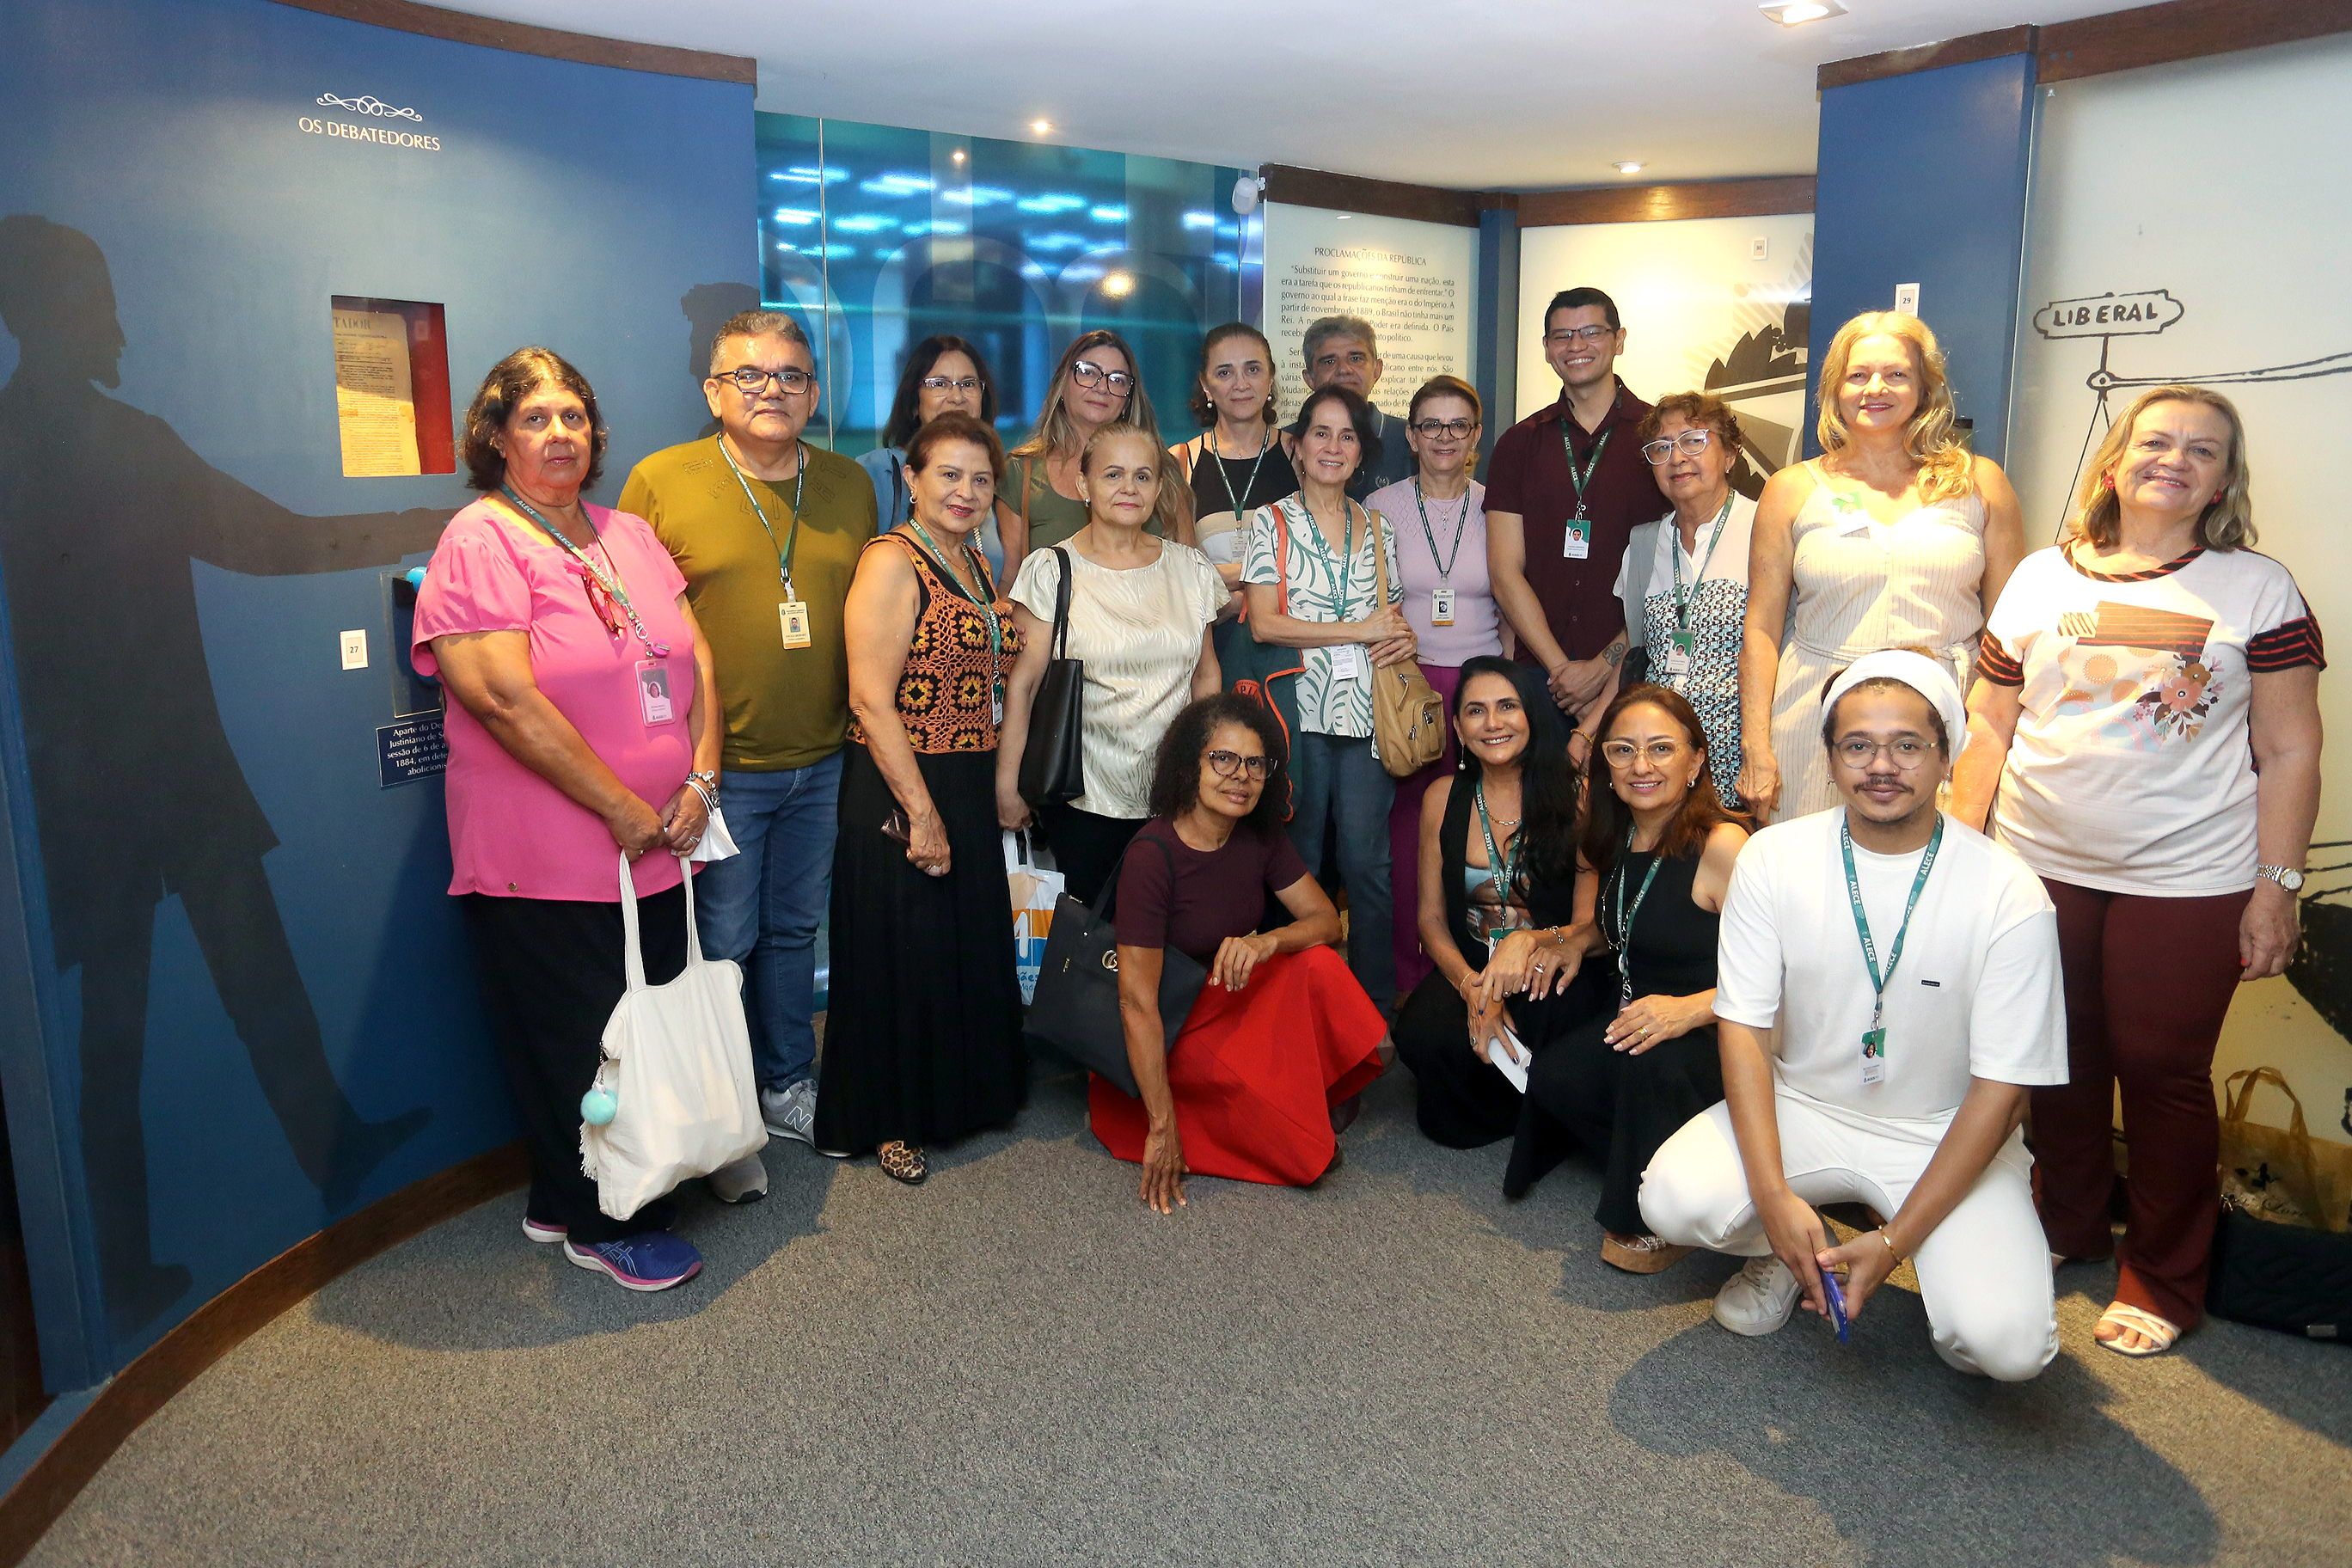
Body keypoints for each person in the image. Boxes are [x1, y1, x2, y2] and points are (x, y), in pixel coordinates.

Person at [0, 215, 435, 1328]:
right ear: (50, 310)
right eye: (94, 300)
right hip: (164, 768)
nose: (117, 325)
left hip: (85, 783)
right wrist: (434, 519)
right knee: (216, 995)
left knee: (133, 1025)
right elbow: (271, 540)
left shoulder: (21, 438)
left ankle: (127, 1258)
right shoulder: (122, 440)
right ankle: (184, 1228)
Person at [1952, 385, 2324, 1357]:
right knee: (2057, 1060)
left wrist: (2277, 887)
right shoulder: (2040, 578)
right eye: (2157, 441)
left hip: (2191, 877)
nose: (2176, 460)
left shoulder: (2259, 590)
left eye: (2203, 450)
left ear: (2224, 481)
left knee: (2162, 1073)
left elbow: (2291, 751)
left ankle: (2162, 1274)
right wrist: (1958, 852)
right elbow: (1988, 725)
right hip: (2037, 863)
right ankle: (2067, 1224)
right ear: (2114, 462)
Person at [1639, 652, 2067, 1381]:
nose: (1882, 766)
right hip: (1804, 1105)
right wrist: (1773, 1199)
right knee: (1672, 1200)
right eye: (1858, 745)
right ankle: (1783, 1252)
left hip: (1941, 1128)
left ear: (1946, 756)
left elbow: (2002, 1092)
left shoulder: (2008, 892)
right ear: (1831, 757)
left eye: (1908, 745)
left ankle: (1940, 1283)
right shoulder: (1774, 859)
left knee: (2006, 1348)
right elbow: (1743, 1032)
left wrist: (1895, 1245)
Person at [416, 348, 725, 1294]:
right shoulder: (479, 540)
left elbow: (696, 657)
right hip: (547, 858)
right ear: (496, 436)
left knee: (641, 1031)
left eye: (574, 417)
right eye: (536, 418)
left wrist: (702, 779)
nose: (560, 434)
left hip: (659, 842)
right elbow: (502, 700)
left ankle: (563, 1194)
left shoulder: (626, 532)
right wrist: (620, 806)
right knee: (580, 1041)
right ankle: (606, 1222)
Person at [617, 310, 876, 1153]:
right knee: (725, 938)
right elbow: (631, 629)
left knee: (797, 931)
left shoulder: (848, 484)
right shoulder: (662, 480)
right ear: (713, 391)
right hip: (720, 769)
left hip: (825, 759)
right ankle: (723, 1098)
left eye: (792, 375)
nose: (773, 390)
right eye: (750, 375)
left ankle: (786, 1081)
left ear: (814, 392)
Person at [814, 412, 1027, 1185]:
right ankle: (889, 1120)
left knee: (951, 948)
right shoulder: (891, 561)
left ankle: (954, 1102)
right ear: (911, 478)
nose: (966, 492)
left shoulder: (971, 561)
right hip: (900, 783)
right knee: (899, 956)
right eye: (949, 475)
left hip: (964, 776)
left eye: (981, 480)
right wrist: (922, 814)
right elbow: (871, 701)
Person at [1094, 694, 1390, 1211]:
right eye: (1223, 759)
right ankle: (1252, 1103)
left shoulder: (1260, 837)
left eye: (1256, 763)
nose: (1242, 776)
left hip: (1227, 997)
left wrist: (1267, 941)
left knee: (1318, 962)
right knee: (1303, 1151)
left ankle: (1299, 1093)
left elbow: (1325, 923)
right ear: (1189, 765)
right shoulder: (1152, 855)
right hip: (1171, 1026)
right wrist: (1161, 1126)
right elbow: (1136, 1003)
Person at [1736, 311, 2024, 823]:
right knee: (1811, 864)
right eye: (1858, 375)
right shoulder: (1791, 489)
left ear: (1924, 387)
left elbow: (2010, 635)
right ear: (1835, 389)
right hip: (1816, 716)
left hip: (1941, 717)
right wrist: (1756, 746)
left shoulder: (1980, 484)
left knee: (1935, 865)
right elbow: (1761, 628)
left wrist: (1992, 740)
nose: (1876, 388)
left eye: (1896, 374)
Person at [1501, 684, 1748, 1271]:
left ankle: (1662, 1211)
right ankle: (1661, 1156)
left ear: (1695, 760)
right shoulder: (1621, 834)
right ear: (1605, 765)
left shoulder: (1723, 845)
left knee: (1648, 1063)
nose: (1641, 766)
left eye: (1661, 748)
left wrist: (1689, 1009)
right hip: (1640, 1013)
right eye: (1622, 750)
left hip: (1719, 1027)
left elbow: (1786, 973)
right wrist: (1564, 943)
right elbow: (1621, 922)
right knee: (1556, 1076)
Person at [1238, 383, 1416, 1012]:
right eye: (1321, 433)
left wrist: (1398, 636)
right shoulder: (1270, 522)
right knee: (1301, 866)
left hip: (1368, 719)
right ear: (1297, 445)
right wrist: (1358, 630)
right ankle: (1297, 1011)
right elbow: (1264, 624)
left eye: (1347, 436)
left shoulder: (1380, 528)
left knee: (1369, 868)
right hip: (1297, 715)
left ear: (1361, 451)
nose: (1333, 447)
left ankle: (1371, 1012)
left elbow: (1390, 620)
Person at [996, 423, 1226, 903]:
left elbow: (1205, 677)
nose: (1129, 488)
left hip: (1175, 793)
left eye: (1143, 476)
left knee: (1170, 927)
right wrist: (1007, 784)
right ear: (1084, 484)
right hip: (1083, 796)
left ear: (1158, 489)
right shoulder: (1051, 569)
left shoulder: (1191, 570)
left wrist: (1208, 768)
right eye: (1113, 474)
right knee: (1094, 935)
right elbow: (1023, 684)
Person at [1391, 658, 1588, 1151]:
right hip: (1473, 966)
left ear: (1531, 717)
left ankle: (1540, 1103)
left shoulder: (1575, 795)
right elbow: (1430, 919)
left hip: (1546, 968)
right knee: (1420, 1034)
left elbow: (1592, 926)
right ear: (1458, 729)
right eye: (1476, 711)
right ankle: (1523, 1105)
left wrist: (1535, 942)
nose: (1493, 723)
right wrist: (1470, 987)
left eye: (1507, 707)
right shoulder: (1441, 797)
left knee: (1556, 1032)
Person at [1367, 375, 1501, 995]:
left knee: (1479, 831)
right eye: (1431, 425)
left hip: (1483, 693)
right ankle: (1409, 978)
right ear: (1412, 436)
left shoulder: (1497, 507)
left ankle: (1477, 975)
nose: (1444, 437)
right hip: (1409, 692)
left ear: (1476, 436)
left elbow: (1513, 597)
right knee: (1407, 836)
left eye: (1458, 425)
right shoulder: (1380, 508)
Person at [1485, 287, 1657, 746]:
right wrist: (1562, 672)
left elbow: (1670, 571)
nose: (1576, 345)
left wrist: (1602, 667)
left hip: (1634, 674)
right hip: (1538, 680)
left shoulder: (1657, 440)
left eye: (1591, 332)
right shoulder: (1519, 443)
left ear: (1619, 339)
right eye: (1562, 336)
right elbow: (1504, 572)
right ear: (1546, 349)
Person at [1616, 393, 1756, 810]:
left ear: (1730, 454)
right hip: (1660, 764)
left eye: (1694, 441)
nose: (1677, 458)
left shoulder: (1766, 528)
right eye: (1662, 448)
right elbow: (1637, 653)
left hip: (1744, 762)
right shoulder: (1644, 545)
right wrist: (1588, 733)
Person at [998, 329, 1180, 572]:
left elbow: (1190, 575)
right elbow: (1011, 579)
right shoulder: (1021, 471)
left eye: (1117, 379)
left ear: (1127, 400)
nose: (1102, 388)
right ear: (1062, 384)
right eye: (1088, 372)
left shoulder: (1163, 469)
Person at [1170, 322, 1297, 649]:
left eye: (1252, 369)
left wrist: (1231, 595)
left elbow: (1314, 569)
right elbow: (1178, 578)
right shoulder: (1180, 462)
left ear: (1270, 377)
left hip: (1291, 652)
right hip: (1208, 652)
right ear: (1206, 385)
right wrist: (1263, 581)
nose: (1241, 384)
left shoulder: (1302, 457)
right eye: (1225, 372)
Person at [857, 334, 1002, 573]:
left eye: (968, 384)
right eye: (939, 384)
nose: (957, 397)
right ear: (914, 403)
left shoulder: (991, 475)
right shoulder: (876, 473)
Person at [1299, 314, 1417, 499]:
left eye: (1356, 358)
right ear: (1309, 378)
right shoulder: (1289, 441)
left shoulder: (1410, 439)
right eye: (1329, 361)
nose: (1344, 370)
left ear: (1377, 370)